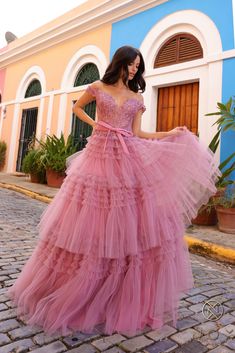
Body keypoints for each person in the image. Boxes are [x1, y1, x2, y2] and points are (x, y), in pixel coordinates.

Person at [8, 45, 221, 336]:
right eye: (132, 64)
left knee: (126, 228)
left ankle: (118, 294)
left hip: (128, 159)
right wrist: (96, 123)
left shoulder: (137, 97)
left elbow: (138, 133)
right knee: (90, 222)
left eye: (138, 66)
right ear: (120, 62)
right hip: (98, 157)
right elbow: (76, 108)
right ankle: (80, 288)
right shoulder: (97, 86)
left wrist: (170, 134)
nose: (135, 69)